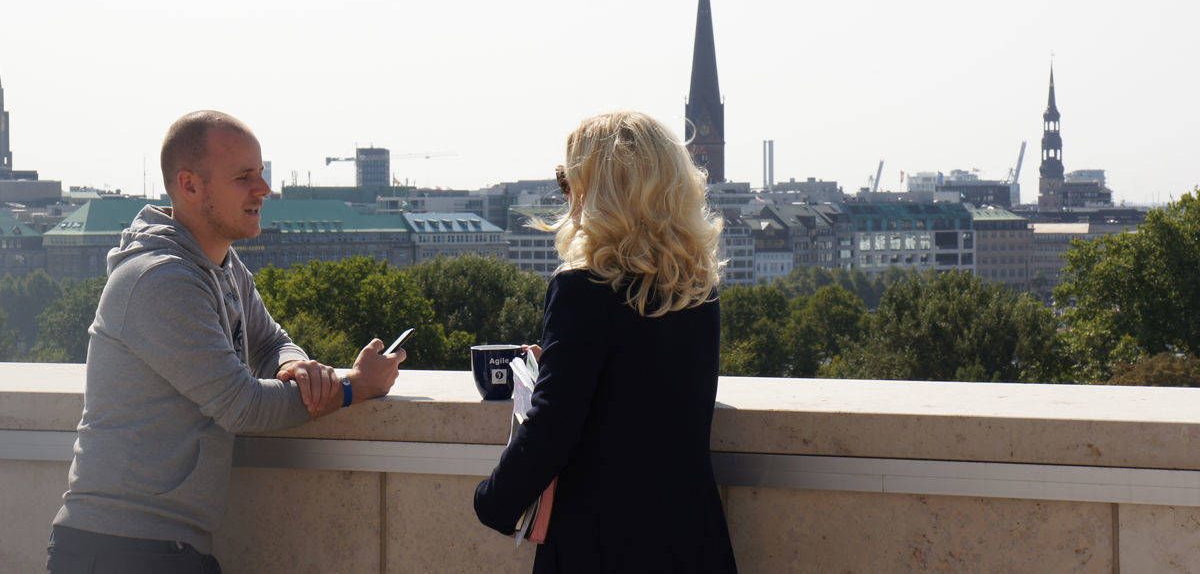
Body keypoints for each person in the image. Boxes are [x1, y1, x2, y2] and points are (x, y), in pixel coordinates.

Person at [46, 110, 405, 573]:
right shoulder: (160, 279)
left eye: (261, 173)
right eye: (244, 177)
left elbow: (271, 341)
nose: (264, 189)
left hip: (161, 547)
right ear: (190, 185)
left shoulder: (223, 265)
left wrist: (292, 366)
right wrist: (354, 386)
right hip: (119, 550)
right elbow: (241, 405)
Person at [474, 111, 737, 572]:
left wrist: (492, 501)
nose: (567, 194)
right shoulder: (698, 289)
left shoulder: (581, 290)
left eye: (568, 181)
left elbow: (553, 428)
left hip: (601, 542)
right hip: (691, 538)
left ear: (599, 192)